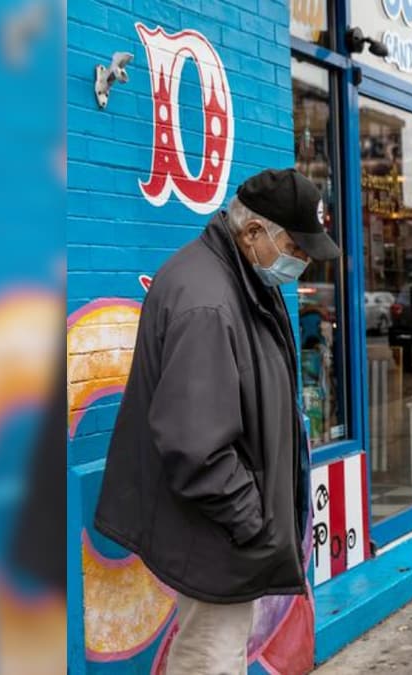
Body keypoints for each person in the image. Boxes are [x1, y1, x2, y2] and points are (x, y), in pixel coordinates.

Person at [94, 168, 341, 673]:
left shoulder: (241, 276)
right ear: (253, 233)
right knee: (212, 658)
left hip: (223, 531)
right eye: (297, 248)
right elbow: (196, 447)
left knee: (216, 651)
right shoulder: (208, 301)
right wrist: (253, 524)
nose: (303, 262)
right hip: (218, 535)